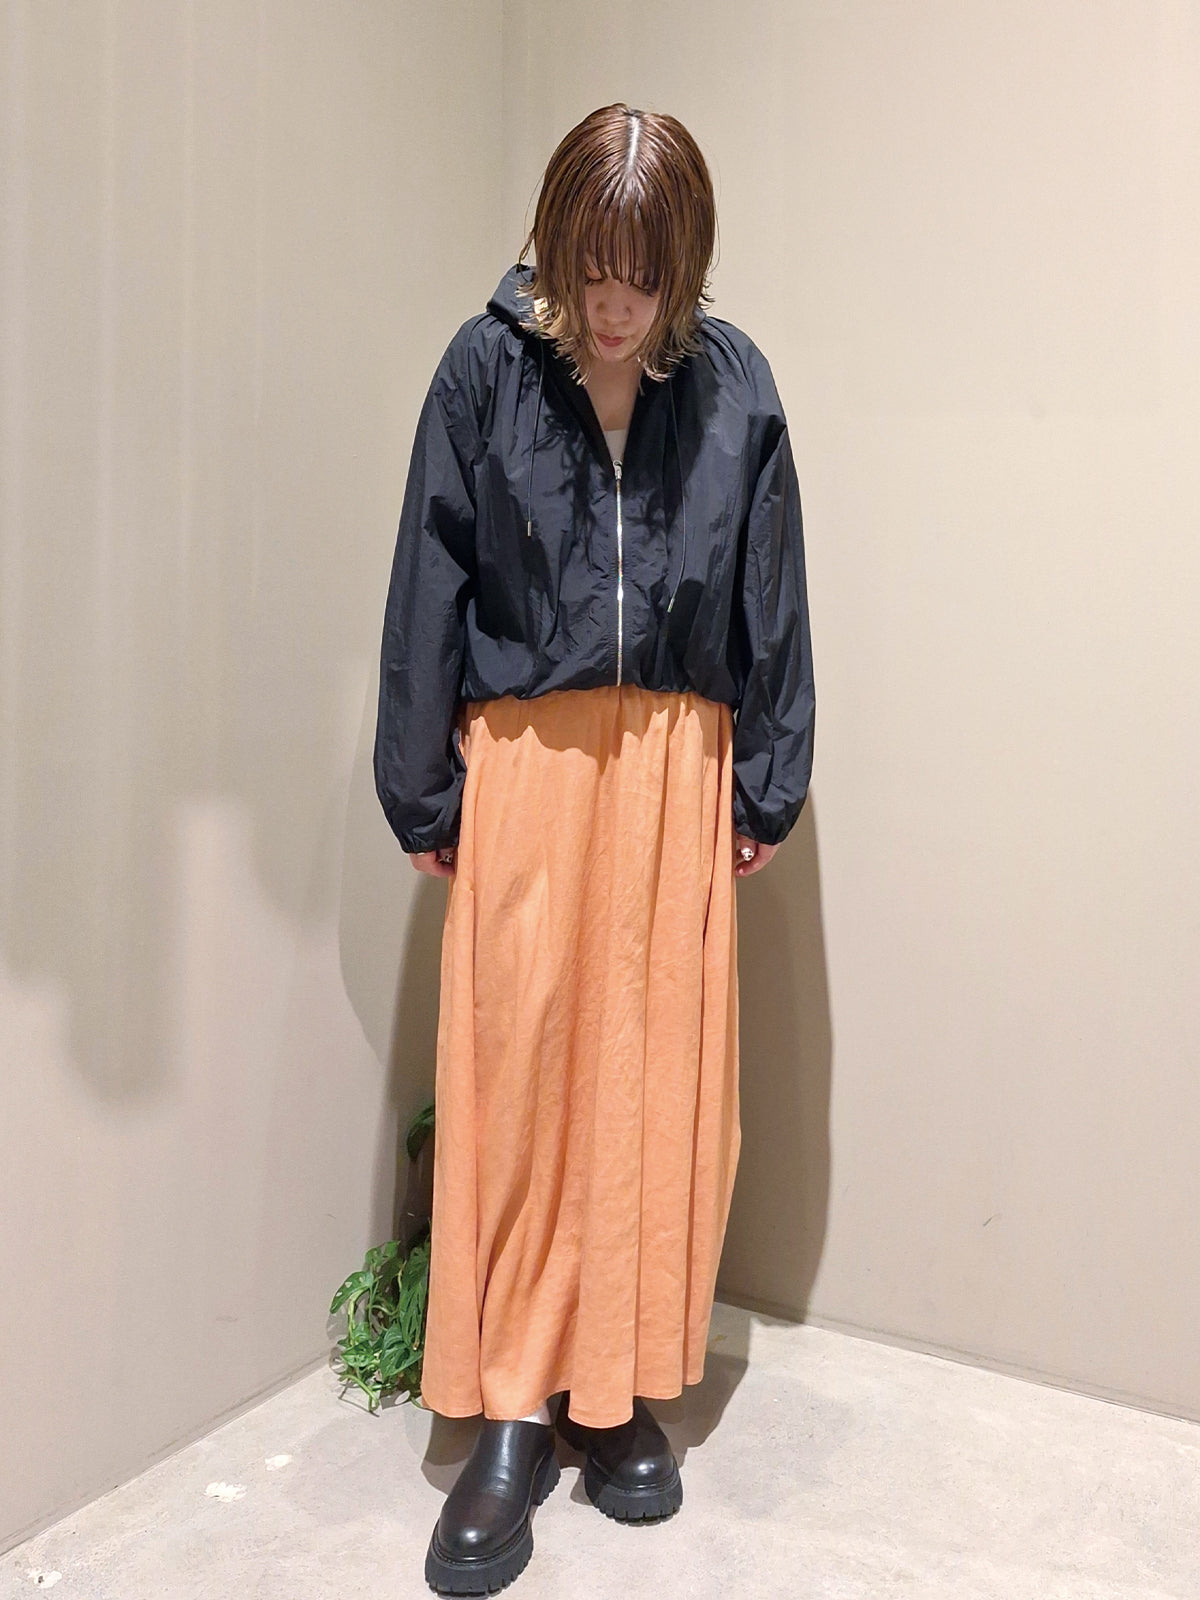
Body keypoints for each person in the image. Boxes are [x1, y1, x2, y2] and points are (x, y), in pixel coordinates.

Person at [373, 102, 815, 1595]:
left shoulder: (735, 382)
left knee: (652, 1075)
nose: (617, 306)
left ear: (685, 265)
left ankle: (615, 1383)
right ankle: (510, 1399)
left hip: (681, 761)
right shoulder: (483, 370)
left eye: (646, 275)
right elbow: (428, 573)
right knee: (520, 1070)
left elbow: (773, 580)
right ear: (555, 243)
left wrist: (769, 779)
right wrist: (420, 787)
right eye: (593, 268)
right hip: (527, 758)